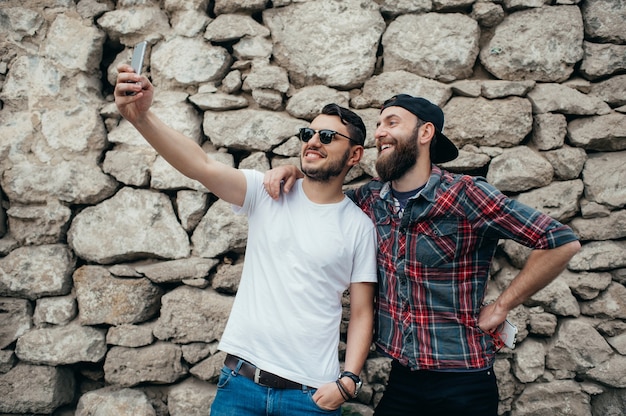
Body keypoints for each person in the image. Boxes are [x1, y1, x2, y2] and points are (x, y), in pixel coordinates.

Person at [264, 94, 582, 415]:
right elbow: (325, 191)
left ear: (425, 133)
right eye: (378, 125)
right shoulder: (371, 199)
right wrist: (295, 170)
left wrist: (502, 306)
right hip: (403, 376)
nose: (379, 133)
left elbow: (559, 241)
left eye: (392, 123)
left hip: (464, 381)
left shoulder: (466, 194)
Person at [114, 64, 378, 415]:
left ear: (355, 154)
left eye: (327, 137)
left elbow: (361, 312)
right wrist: (142, 118)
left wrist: (348, 382)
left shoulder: (359, 226)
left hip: (310, 395)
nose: (313, 142)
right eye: (308, 133)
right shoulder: (267, 192)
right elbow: (200, 165)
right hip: (240, 384)